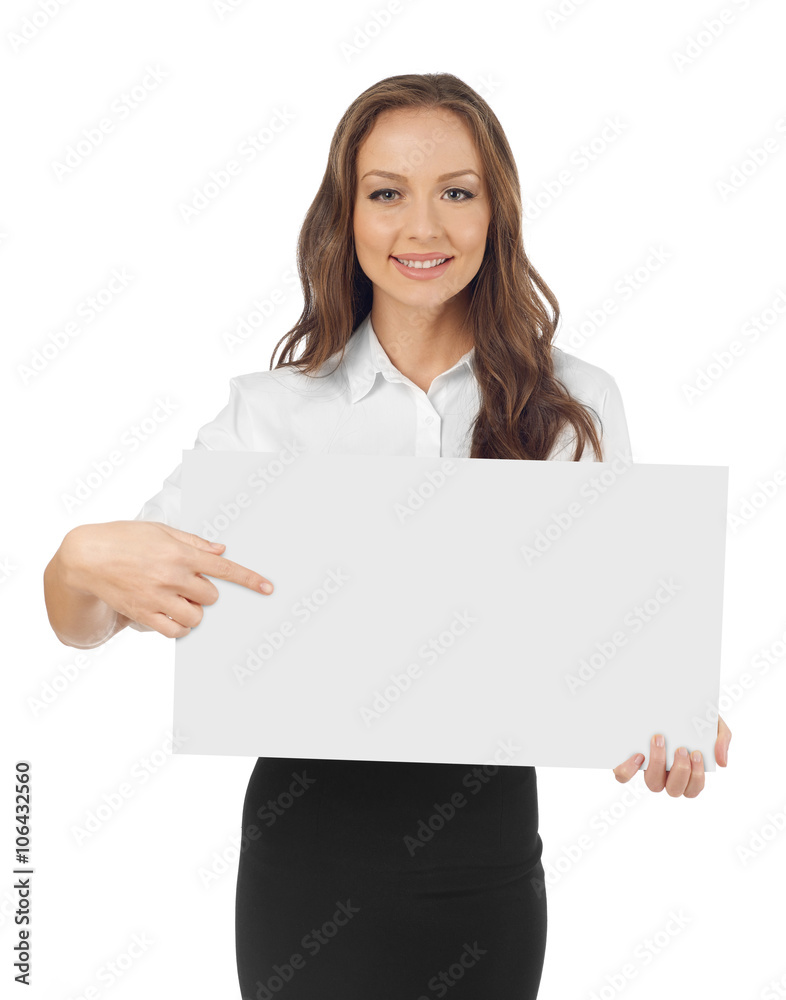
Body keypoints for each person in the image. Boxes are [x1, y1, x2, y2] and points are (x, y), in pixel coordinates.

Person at [43, 72, 732, 999]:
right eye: (386, 194)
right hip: (305, 868)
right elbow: (88, 621)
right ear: (347, 215)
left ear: (497, 214)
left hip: (485, 867)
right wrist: (76, 560)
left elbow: (611, 639)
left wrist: (658, 706)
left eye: (457, 192)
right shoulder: (271, 415)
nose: (423, 229)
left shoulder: (575, 404)